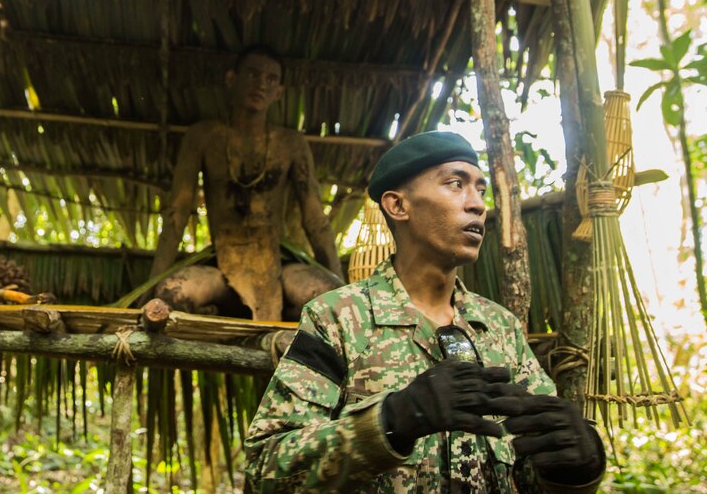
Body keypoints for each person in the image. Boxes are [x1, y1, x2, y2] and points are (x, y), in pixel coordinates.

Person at [244, 131, 605, 492]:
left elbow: (531, 469)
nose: (477, 204)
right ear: (398, 206)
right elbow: (266, 471)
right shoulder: (338, 317)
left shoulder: (500, 328)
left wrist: (579, 469)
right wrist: (391, 421)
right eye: (455, 184)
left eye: (480, 189)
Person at [150, 46, 344, 322]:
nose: (261, 84)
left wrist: (344, 287)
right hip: (222, 266)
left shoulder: (291, 143)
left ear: (279, 92)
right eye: (252, 74)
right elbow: (177, 213)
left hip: (279, 264)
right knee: (171, 294)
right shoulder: (203, 136)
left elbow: (314, 217)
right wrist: (151, 288)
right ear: (231, 79)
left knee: (333, 298)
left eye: (271, 79)